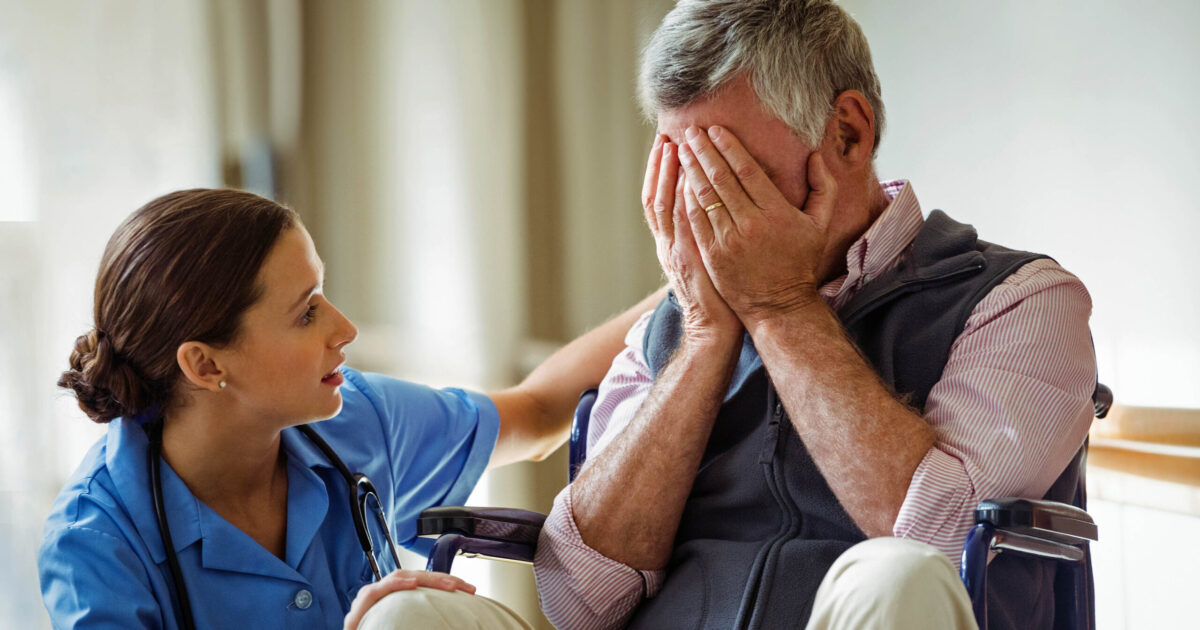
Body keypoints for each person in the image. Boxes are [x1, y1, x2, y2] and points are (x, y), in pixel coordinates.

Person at [533, 1, 1097, 629]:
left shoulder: (1022, 300)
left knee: (897, 572)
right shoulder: (669, 326)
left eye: (732, 174)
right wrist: (704, 337)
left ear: (848, 134)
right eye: (685, 173)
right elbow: (576, 603)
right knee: (421, 612)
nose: (704, 208)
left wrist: (782, 309)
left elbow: (944, 546)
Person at [39, 188, 665, 630]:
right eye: (306, 311)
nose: (344, 329)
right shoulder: (96, 544)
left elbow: (539, 409)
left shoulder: (352, 420)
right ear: (205, 365)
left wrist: (696, 284)